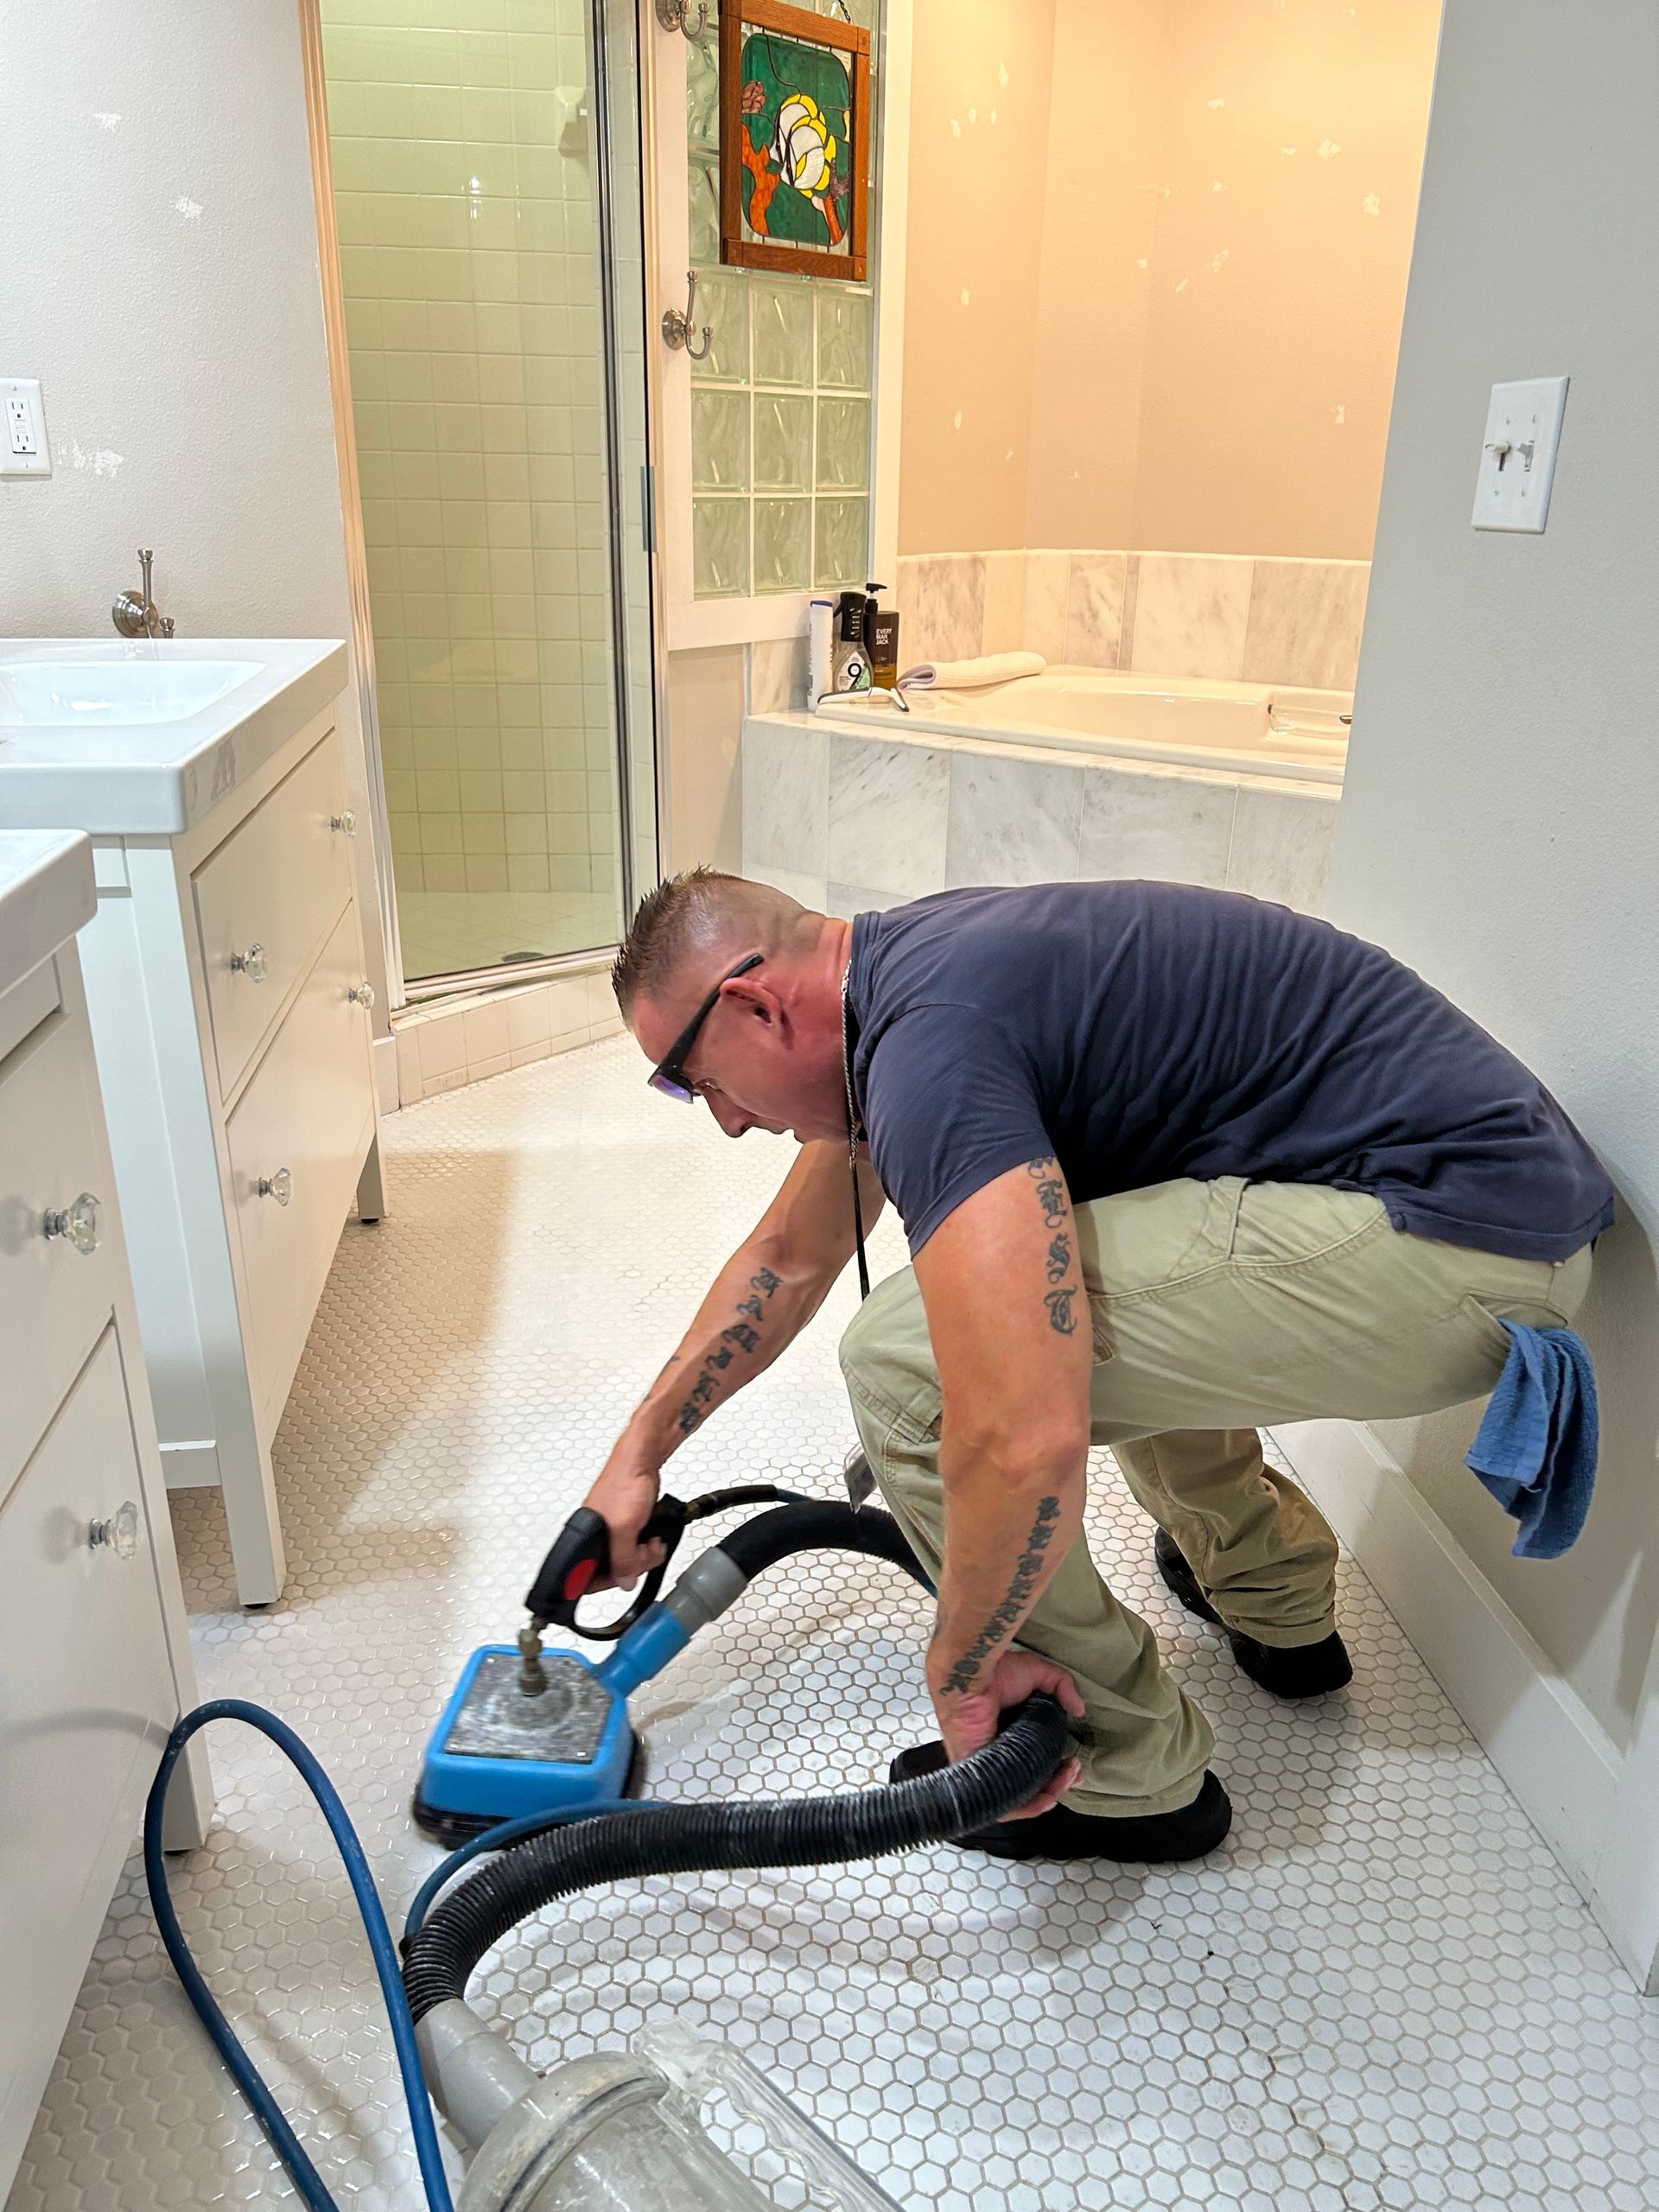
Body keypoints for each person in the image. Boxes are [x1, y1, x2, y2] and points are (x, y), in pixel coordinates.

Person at [578, 870, 1613, 1863]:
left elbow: (1024, 1430)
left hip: (1455, 1244)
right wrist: (638, 1455)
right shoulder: (905, 979)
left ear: (758, 1004)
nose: (725, 1118)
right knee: (1070, 1247)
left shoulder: (927, 1045)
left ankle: (1125, 1773)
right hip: (1479, 1214)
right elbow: (789, 1258)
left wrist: (966, 1661)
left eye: (699, 1078)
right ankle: (1275, 1603)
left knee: (914, 1362)